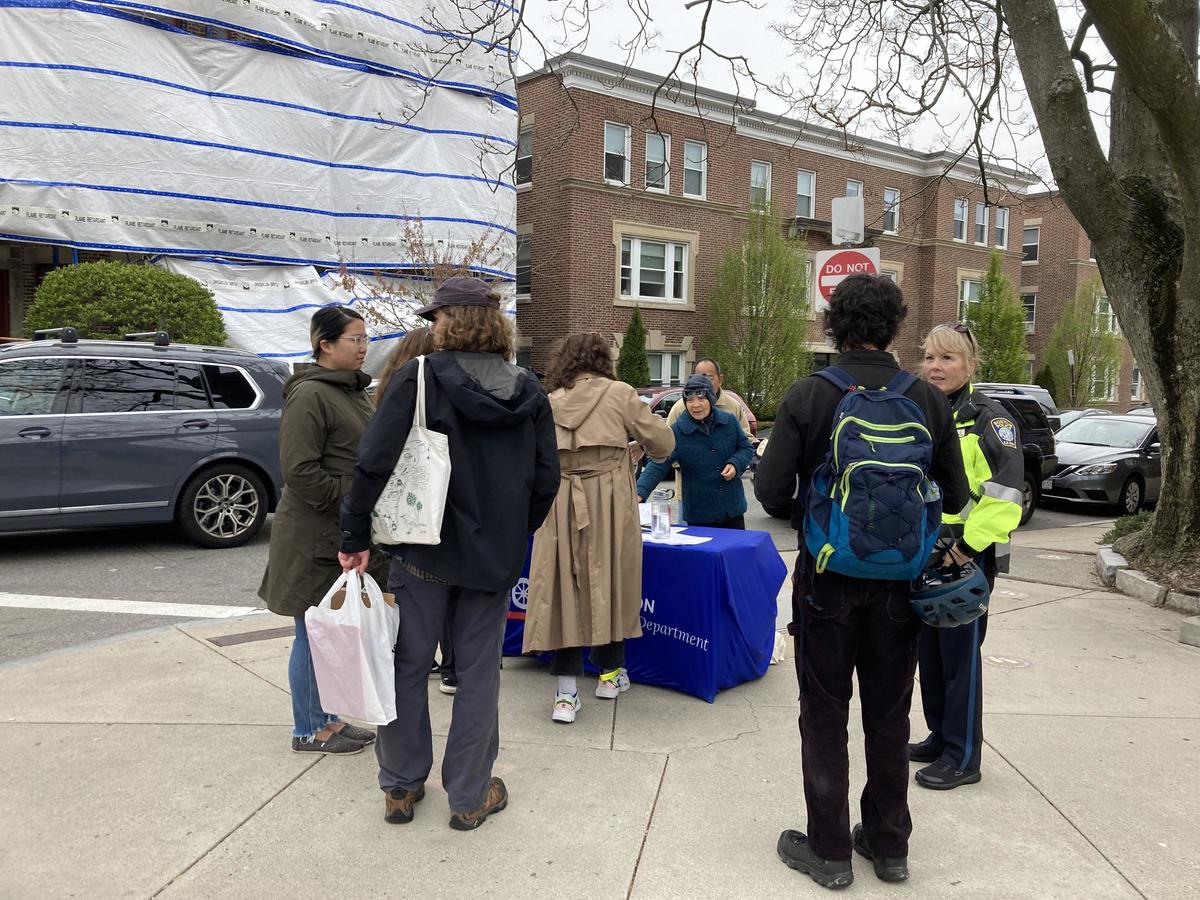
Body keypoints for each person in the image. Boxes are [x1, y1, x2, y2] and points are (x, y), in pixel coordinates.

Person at [755, 274, 969, 889]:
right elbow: (954, 493)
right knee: (889, 712)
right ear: (894, 327)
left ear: (834, 324)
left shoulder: (809, 393)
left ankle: (828, 850)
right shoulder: (924, 399)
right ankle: (888, 843)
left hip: (827, 581)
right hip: (901, 584)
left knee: (823, 713)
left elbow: (769, 491)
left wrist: (816, 509)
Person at [338, 276, 559, 831]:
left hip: (422, 551)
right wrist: (514, 532)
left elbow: (374, 461)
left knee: (408, 666)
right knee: (480, 673)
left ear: (453, 321)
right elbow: (546, 479)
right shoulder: (529, 388)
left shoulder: (417, 378)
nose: (431, 325)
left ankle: (401, 785)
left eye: (436, 317)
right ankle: (468, 794)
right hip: (491, 559)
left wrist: (354, 535)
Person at [524, 333, 675, 724]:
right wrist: (633, 448)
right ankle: (609, 674)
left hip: (559, 500)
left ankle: (565, 694)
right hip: (608, 497)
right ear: (602, 360)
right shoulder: (620, 393)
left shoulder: (549, 401)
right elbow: (662, 442)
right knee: (611, 578)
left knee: (561, 587)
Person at [258, 306, 387, 756]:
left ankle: (329, 718)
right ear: (325, 344)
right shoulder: (310, 395)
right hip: (314, 532)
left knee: (331, 633)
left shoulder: (352, 392)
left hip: (340, 529)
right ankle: (309, 728)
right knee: (311, 633)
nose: (363, 346)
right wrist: (353, 499)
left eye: (366, 338)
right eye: (355, 339)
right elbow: (300, 470)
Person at [910, 323, 1023, 790]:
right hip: (923, 553)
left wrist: (967, 547)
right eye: (930, 357)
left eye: (948, 358)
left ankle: (963, 756)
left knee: (961, 661)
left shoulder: (989, 419)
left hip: (965, 558)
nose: (936, 367)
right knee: (930, 657)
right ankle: (941, 736)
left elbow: (1006, 493)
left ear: (970, 365)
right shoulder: (919, 411)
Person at [377, 328, 461, 696]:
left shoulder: (388, 392)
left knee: (411, 607)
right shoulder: (435, 388)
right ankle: (450, 667)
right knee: (451, 597)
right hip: (439, 513)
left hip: (402, 515)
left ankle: (421, 659)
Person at [636, 374, 753, 529]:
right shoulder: (677, 431)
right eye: (689, 400)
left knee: (735, 552)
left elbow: (746, 448)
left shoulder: (729, 421)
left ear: (710, 400)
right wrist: (640, 492)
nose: (695, 405)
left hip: (732, 510)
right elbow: (658, 464)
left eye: (701, 399)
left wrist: (736, 463)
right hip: (700, 513)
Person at [664, 358, 752, 436]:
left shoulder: (734, 407)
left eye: (710, 378)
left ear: (720, 379)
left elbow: (746, 440)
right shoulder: (680, 408)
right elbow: (669, 441)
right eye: (700, 378)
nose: (705, 383)